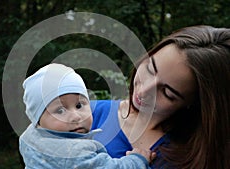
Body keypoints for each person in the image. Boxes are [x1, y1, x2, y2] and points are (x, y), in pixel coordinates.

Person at [91, 25, 230, 169]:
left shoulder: (197, 157)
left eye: (167, 93)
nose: (144, 91)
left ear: (193, 103)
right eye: (150, 69)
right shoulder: (84, 115)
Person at [19, 63, 156, 169]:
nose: (75, 117)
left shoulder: (29, 138)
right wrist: (137, 160)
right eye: (60, 111)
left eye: (79, 105)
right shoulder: (73, 153)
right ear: (38, 121)